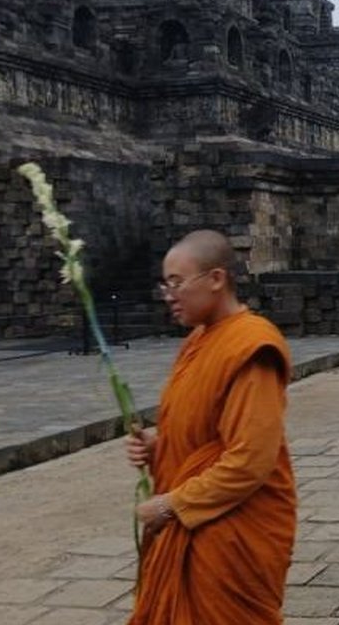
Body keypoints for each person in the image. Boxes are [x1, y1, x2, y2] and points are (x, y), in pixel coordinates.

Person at [125, 230, 297, 624]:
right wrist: (157, 449)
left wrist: (172, 505)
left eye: (176, 283)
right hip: (198, 523)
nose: (168, 295)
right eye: (164, 284)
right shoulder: (197, 340)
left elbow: (251, 461)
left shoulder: (252, 346)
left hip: (230, 533)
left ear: (217, 279)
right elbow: (201, 434)